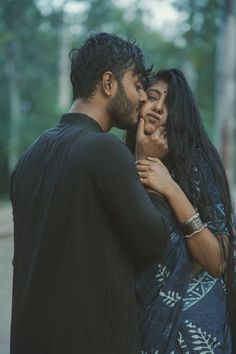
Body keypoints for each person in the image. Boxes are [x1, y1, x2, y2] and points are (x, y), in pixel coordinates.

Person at [10, 33, 172, 354]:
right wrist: (149, 165)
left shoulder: (28, 157)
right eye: (137, 84)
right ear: (108, 83)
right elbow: (155, 242)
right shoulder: (105, 150)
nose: (142, 97)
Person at [126, 69, 236, 353]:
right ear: (139, 104)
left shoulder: (199, 164)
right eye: (152, 97)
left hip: (196, 328)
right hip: (140, 323)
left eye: (170, 104)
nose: (159, 107)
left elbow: (217, 261)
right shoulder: (118, 162)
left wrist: (171, 188)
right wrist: (142, 158)